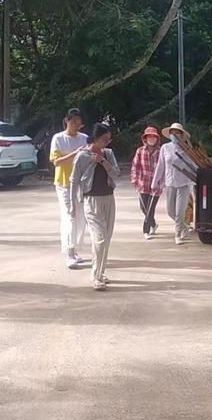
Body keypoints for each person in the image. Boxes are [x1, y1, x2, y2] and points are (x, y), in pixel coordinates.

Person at [70, 123, 120, 291]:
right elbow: (74, 180)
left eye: (109, 139)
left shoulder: (109, 154)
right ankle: (96, 277)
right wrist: (72, 204)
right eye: (104, 139)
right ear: (95, 138)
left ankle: (100, 272)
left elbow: (116, 173)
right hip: (91, 201)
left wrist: (103, 161)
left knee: (107, 239)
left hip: (108, 199)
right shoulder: (82, 156)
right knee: (100, 239)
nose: (107, 142)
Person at [49, 108, 88, 268]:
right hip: (64, 183)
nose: (75, 126)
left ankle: (75, 250)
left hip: (81, 183)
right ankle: (69, 252)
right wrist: (75, 154)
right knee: (70, 215)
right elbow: (56, 162)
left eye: (78, 123)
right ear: (67, 121)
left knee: (81, 218)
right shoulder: (58, 138)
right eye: (73, 122)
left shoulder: (84, 138)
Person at [151, 123, 194, 245]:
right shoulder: (165, 148)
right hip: (170, 183)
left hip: (184, 184)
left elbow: (192, 166)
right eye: (172, 133)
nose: (174, 135)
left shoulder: (187, 149)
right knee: (171, 211)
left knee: (179, 211)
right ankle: (184, 227)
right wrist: (155, 182)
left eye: (177, 133)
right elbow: (160, 166)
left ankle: (178, 234)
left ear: (182, 135)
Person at [131, 127, 162, 240]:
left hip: (156, 184)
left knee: (150, 208)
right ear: (145, 138)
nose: (151, 139)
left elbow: (164, 167)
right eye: (149, 136)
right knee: (143, 208)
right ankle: (153, 224)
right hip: (142, 183)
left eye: (153, 136)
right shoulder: (140, 151)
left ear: (157, 138)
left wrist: (162, 181)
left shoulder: (160, 152)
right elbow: (135, 166)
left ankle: (146, 230)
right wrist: (134, 179)